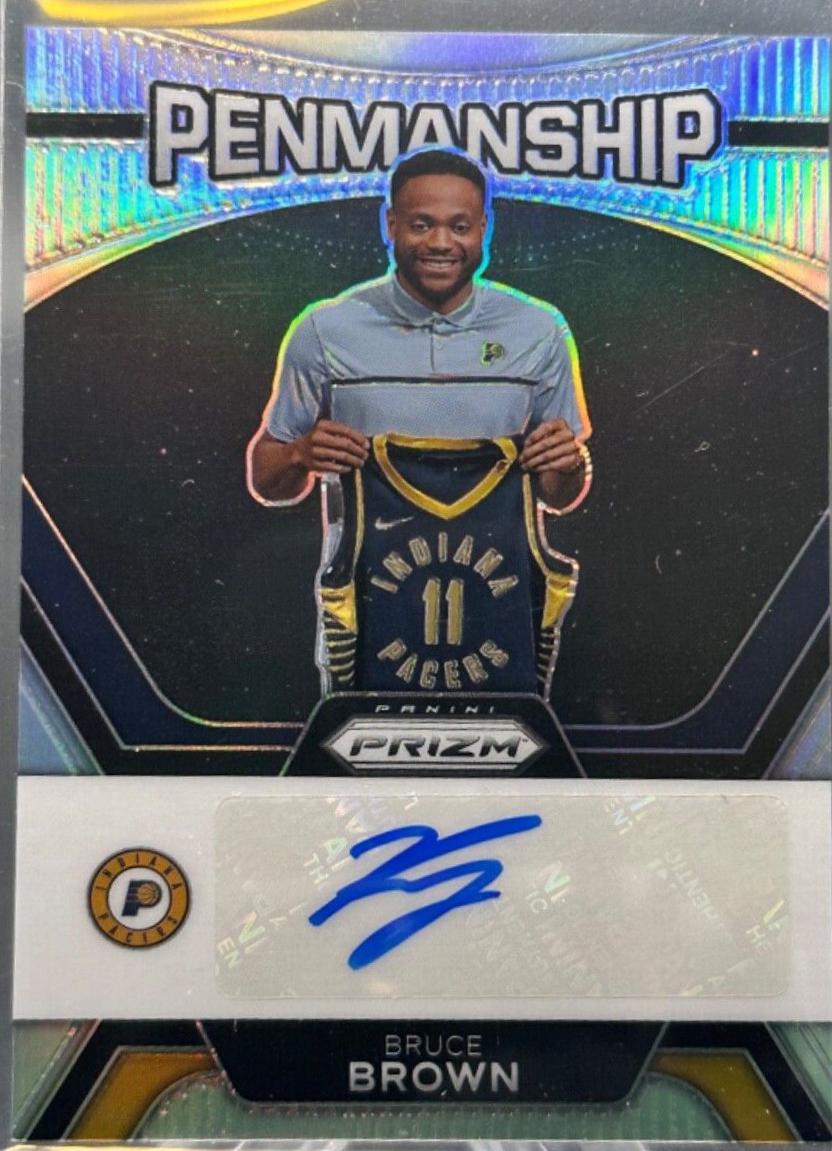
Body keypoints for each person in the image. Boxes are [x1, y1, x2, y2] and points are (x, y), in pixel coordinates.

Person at [248, 147, 591, 510]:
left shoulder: (538, 330)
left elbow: (557, 494)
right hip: (364, 550)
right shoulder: (324, 329)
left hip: (500, 550)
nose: (441, 243)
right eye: (421, 225)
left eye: (459, 227)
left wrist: (568, 464)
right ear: (390, 224)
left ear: (483, 228)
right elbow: (267, 481)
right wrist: (299, 454)